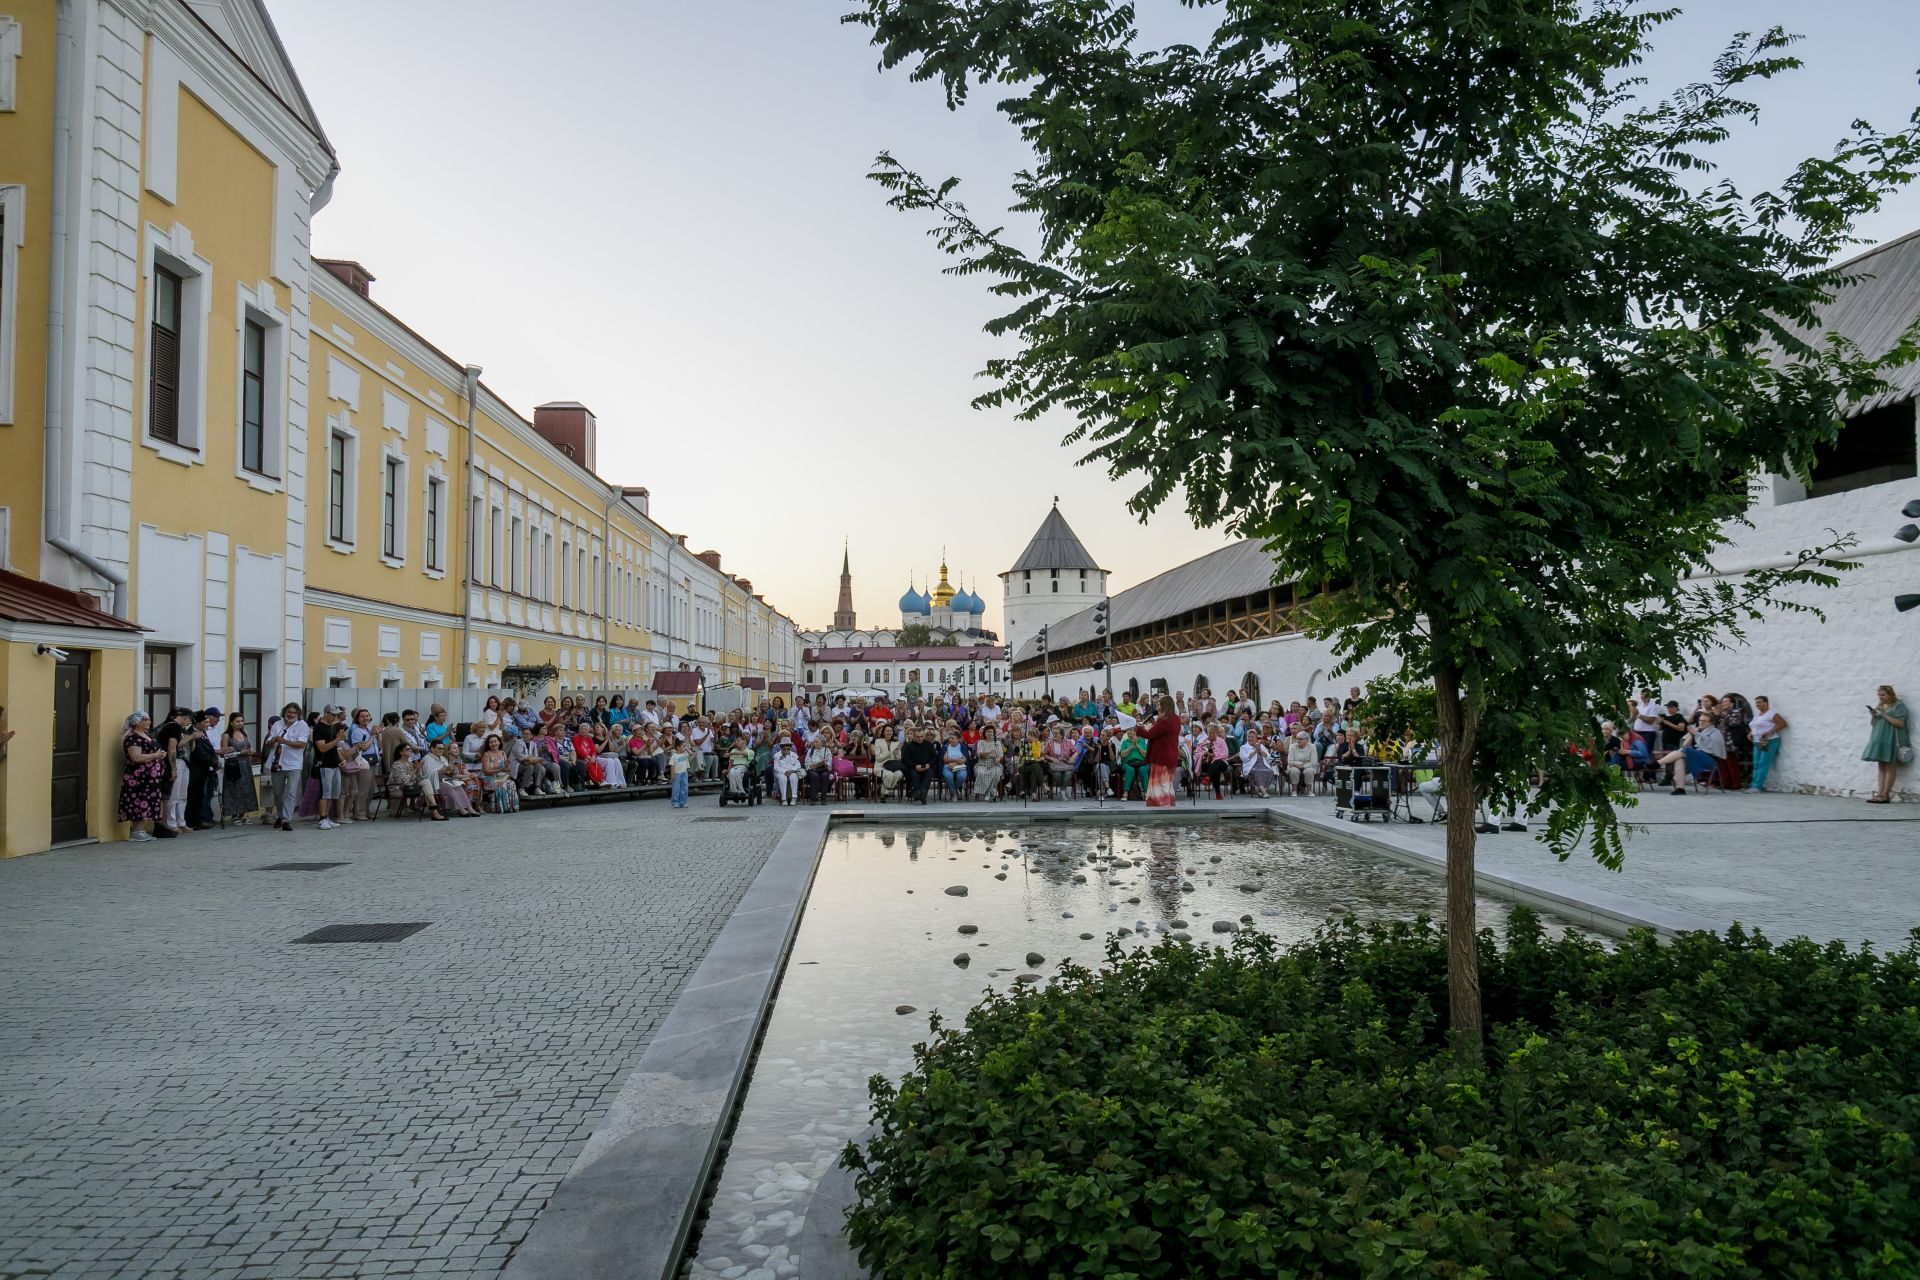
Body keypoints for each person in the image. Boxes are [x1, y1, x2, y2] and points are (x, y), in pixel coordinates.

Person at [118, 712, 166, 840]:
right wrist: (156, 755)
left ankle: (141, 829)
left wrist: (160, 755)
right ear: (137, 722)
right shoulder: (133, 738)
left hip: (150, 779)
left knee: (147, 801)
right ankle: (136, 831)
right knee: (139, 801)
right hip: (138, 778)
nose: (149, 722)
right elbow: (136, 757)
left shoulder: (147, 736)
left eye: (149, 719)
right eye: (146, 720)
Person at [262, 702, 309, 832]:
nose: (291, 715)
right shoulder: (277, 724)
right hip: (276, 762)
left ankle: (286, 819)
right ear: (284, 713)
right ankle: (281, 815)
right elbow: (268, 743)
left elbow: (301, 744)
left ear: (298, 714)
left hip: (294, 763)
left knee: (290, 792)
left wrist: (285, 741)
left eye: (294, 713)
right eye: (289, 712)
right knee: (277, 792)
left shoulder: (302, 725)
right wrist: (273, 740)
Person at [1863, 685, 1910, 804]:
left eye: (1883, 695)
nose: (1880, 697)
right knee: (1881, 767)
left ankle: (1885, 795)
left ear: (1890, 694)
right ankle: (1879, 793)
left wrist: (1884, 715)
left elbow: (1900, 723)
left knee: (1890, 767)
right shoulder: (1880, 706)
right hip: (1880, 738)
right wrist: (1874, 716)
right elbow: (1874, 724)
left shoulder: (1899, 706)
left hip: (1893, 739)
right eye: (1879, 695)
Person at [341, 707, 379, 823]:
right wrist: (372, 735)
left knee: (371, 789)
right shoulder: (357, 731)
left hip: (373, 761)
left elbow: (379, 745)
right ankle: (358, 812)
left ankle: (366, 810)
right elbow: (364, 747)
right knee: (363, 788)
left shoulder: (368, 729)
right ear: (357, 719)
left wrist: (378, 734)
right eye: (362, 716)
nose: (365, 718)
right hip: (363, 762)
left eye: (367, 716)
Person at [219, 712, 258, 824]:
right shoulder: (226, 736)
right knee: (234, 789)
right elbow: (224, 754)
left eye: (241, 721)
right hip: (233, 766)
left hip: (246, 765)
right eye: (237, 721)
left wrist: (250, 752)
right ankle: (234, 815)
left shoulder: (244, 733)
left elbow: (249, 747)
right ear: (231, 722)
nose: (240, 723)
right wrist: (240, 753)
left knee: (246, 789)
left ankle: (243, 813)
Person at [312, 705, 346, 830]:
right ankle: (322, 819)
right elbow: (322, 748)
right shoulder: (319, 728)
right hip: (324, 764)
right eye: (333, 714)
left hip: (334, 764)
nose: (335, 717)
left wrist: (341, 760)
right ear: (326, 713)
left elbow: (334, 748)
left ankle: (327, 817)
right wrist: (338, 739)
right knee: (325, 794)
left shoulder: (332, 726)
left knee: (332, 793)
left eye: (336, 715)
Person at [1747, 695, 1787, 792]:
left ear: (1766, 703)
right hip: (1757, 741)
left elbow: (1783, 724)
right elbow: (1755, 727)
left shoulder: (1771, 714)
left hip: (1767, 741)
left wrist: (1770, 732)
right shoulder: (1757, 715)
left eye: (1760, 702)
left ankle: (1757, 786)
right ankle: (1753, 784)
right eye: (1756, 703)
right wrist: (1750, 733)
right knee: (1756, 763)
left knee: (1762, 763)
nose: (1757, 704)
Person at [901, 725, 940, 804]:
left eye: (921, 736)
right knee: (914, 774)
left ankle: (919, 793)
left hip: (927, 767)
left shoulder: (929, 745)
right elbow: (905, 759)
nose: (920, 738)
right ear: (914, 736)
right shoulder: (908, 746)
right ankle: (922, 794)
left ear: (924, 736)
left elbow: (935, 757)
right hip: (914, 767)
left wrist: (929, 765)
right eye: (918, 737)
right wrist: (915, 766)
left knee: (929, 773)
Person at [972, 725, 1005, 800]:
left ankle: (988, 792)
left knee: (996, 772)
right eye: (988, 732)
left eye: (991, 732)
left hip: (994, 764)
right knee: (981, 773)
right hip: (982, 764)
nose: (990, 733)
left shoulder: (997, 743)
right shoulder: (981, 742)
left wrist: (998, 759)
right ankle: (988, 792)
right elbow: (980, 755)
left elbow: (1000, 755)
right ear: (984, 733)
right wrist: (989, 752)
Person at [771, 740, 802, 804]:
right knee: (783, 778)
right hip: (781, 772)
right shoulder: (777, 755)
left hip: (792, 771)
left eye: (788, 749)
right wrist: (784, 771)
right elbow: (776, 767)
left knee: (793, 777)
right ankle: (783, 798)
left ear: (790, 748)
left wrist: (792, 770)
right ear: (781, 748)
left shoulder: (794, 755)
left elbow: (798, 765)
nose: (786, 750)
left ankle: (794, 798)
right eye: (784, 749)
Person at [669, 739, 692, 808]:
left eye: (685, 746)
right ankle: (675, 802)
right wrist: (672, 775)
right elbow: (672, 766)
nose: (685, 748)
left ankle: (683, 802)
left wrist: (686, 749)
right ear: (678, 747)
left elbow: (691, 753)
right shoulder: (674, 756)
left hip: (684, 773)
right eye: (683, 746)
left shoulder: (685, 754)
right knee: (676, 788)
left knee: (684, 788)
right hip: (677, 774)